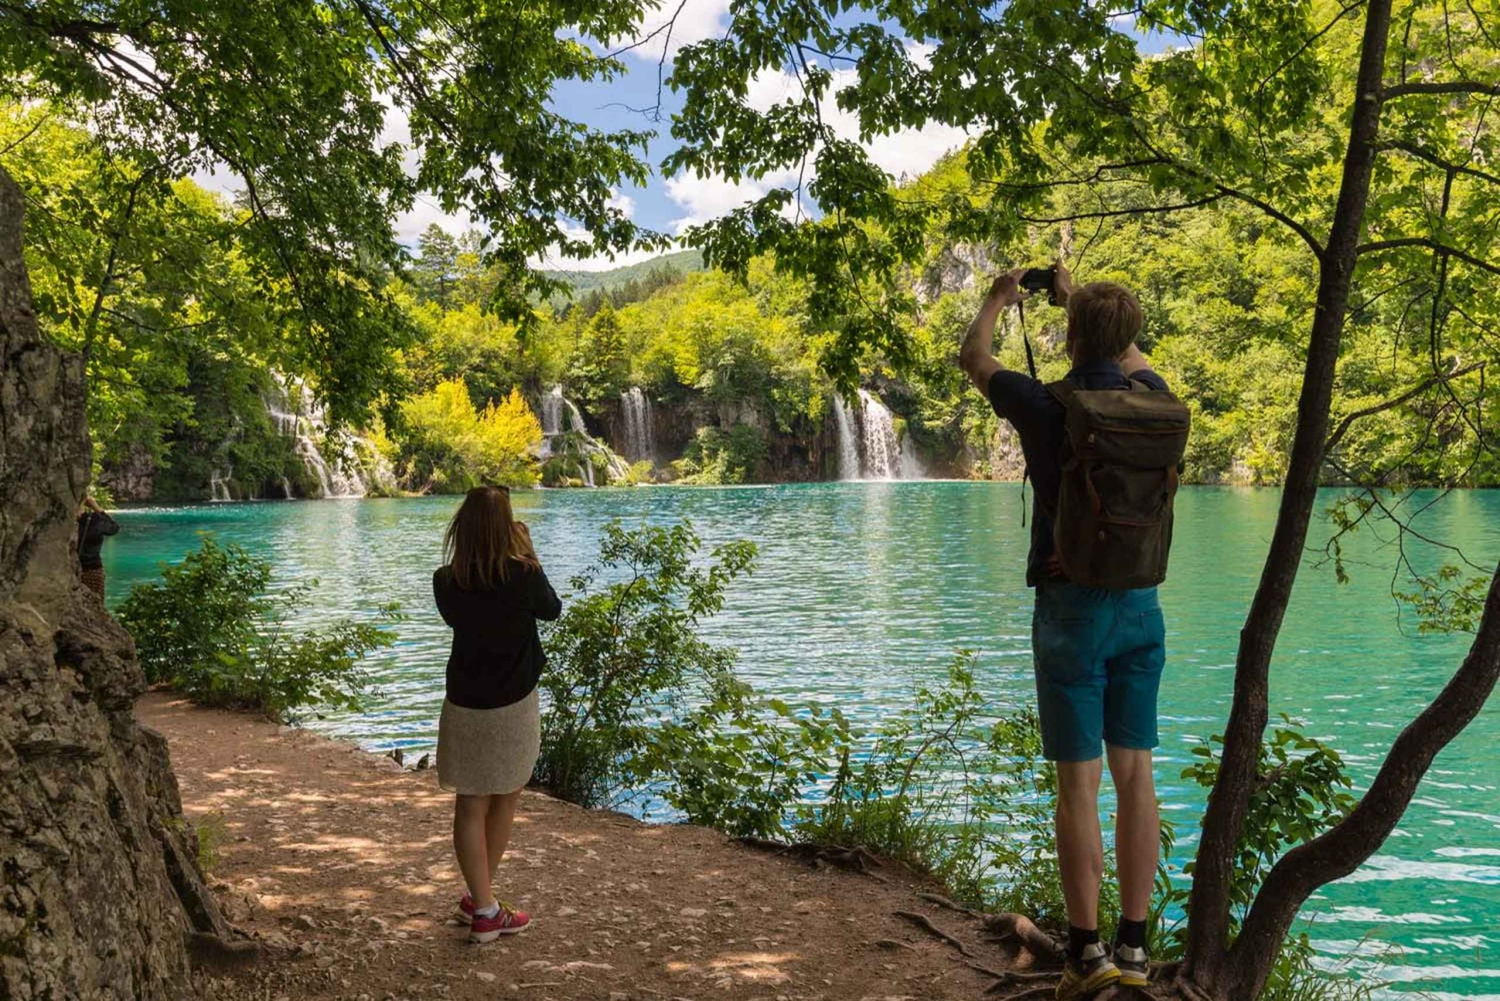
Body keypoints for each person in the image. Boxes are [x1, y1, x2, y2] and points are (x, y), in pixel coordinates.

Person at [959, 264, 1169, 998]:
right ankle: (1136, 950)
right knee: (1136, 774)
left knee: (1078, 786)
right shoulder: (1154, 400)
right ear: (1130, 336)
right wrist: (1078, 296)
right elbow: (1133, 357)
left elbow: (975, 357)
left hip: (1070, 609)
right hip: (1142, 604)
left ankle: (1086, 954)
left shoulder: (1041, 403)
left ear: (1070, 337)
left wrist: (998, 298)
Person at [432, 485, 561, 943]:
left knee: (469, 803)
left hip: (465, 703)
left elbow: (463, 618)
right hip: (513, 702)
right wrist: (527, 552)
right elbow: (552, 611)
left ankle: (479, 898)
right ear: (507, 526)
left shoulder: (446, 581)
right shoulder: (523, 575)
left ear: (462, 527)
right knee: (506, 795)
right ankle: (486, 911)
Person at [76, 495, 119, 599]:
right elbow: (114, 528)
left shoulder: (62, 521)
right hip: (91, 569)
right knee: (95, 602)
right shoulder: (93, 521)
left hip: (70, 569)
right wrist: (96, 507)